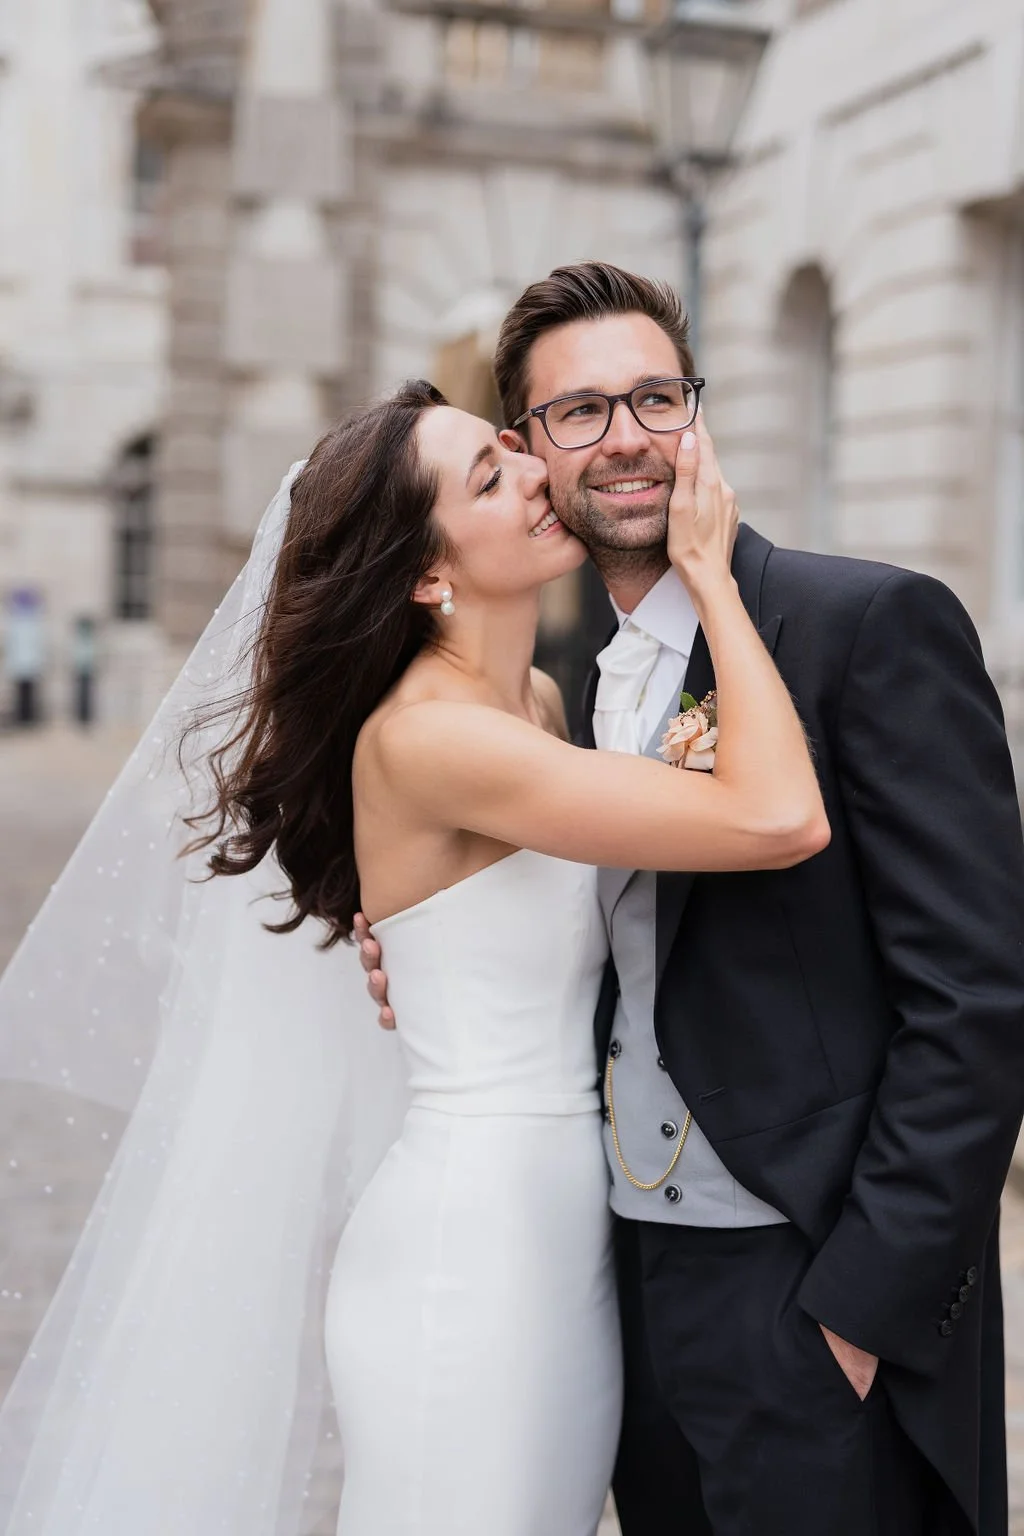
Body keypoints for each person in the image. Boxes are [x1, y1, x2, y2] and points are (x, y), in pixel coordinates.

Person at [0, 379, 826, 1535]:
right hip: (467, 1249)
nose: (537, 471)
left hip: (561, 1234)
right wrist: (711, 579)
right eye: (490, 479)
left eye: (505, 450)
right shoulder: (433, 738)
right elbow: (777, 817)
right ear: (426, 575)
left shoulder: (537, 699)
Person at [358, 263, 1024, 1536]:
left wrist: (861, 1311)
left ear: (698, 417)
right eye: (579, 412)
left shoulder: (867, 623)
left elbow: (978, 999)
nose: (625, 438)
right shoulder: (557, 684)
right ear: (531, 450)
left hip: (813, 1287)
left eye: (656, 398)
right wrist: (401, 934)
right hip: (620, 1285)